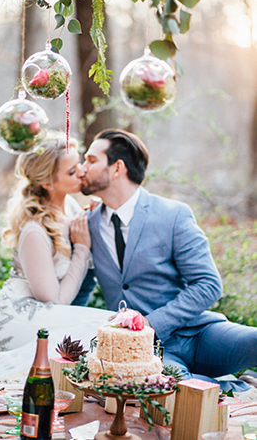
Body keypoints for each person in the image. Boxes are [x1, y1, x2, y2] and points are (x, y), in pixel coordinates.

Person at [79, 128, 257, 392]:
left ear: (117, 168)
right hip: (145, 352)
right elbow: (80, 294)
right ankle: (242, 389)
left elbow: (208, 284)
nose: (82, 168)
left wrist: (152, 323)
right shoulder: (86, 226)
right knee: (182, 392)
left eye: (91, 160)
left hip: (199, 333)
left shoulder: (172, 214)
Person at [0, 131, 114, 354]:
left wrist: (96, 214)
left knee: (112, 327)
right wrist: (82, 248)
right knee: (103, 330)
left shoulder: (71, 205)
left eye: (80, 163)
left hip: (46, 315)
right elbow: (54, 301)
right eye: (72, 171)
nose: (83, 172)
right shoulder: (34, 230)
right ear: (47, 182)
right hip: (18, 319)